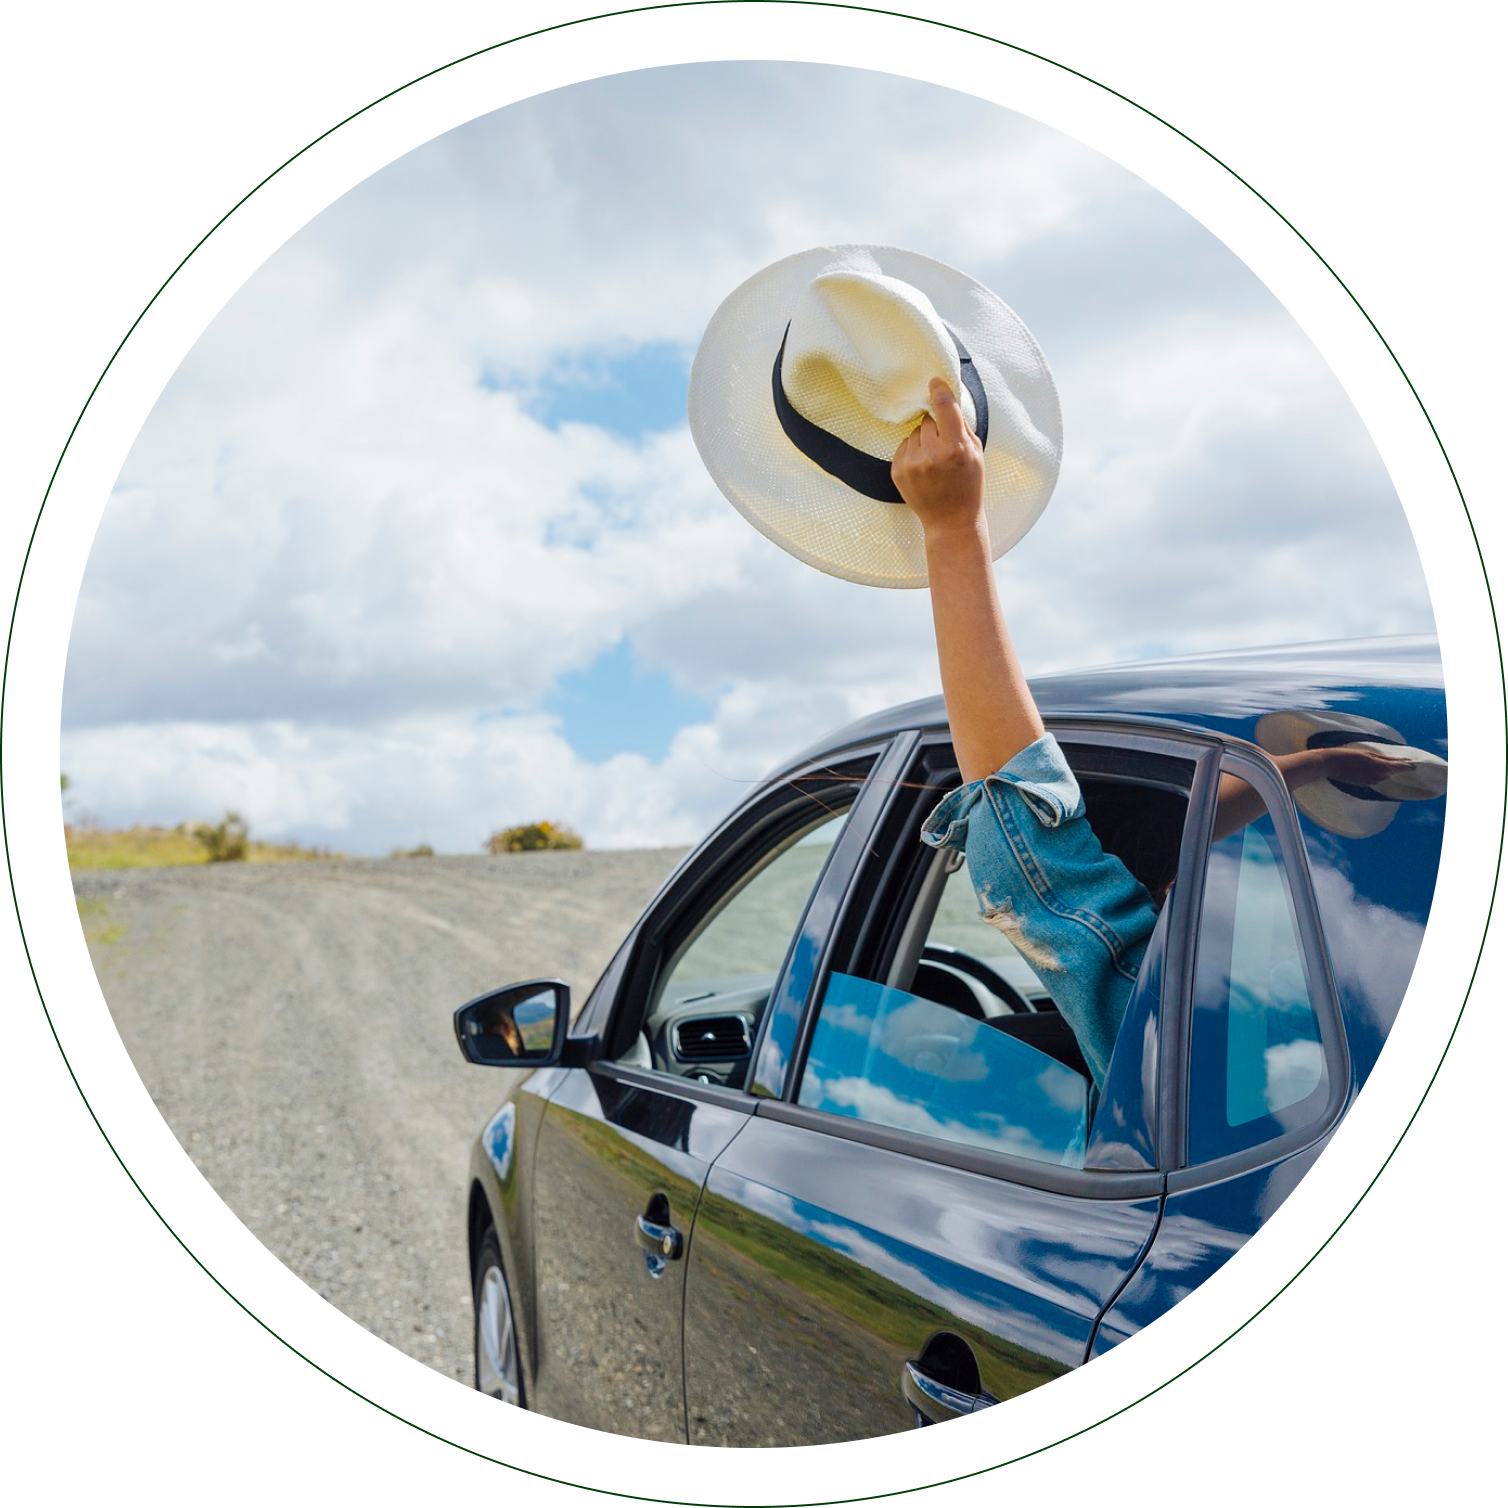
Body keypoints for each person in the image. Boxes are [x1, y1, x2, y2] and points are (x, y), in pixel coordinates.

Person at [891, 377, 1415, 1092]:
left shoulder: (1175, 1034)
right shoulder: (1384, 1018)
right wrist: (1307, 765)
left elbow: (1029, 848)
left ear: (1163, 893)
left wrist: (952, 531)